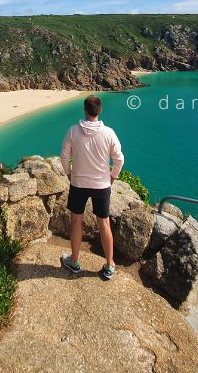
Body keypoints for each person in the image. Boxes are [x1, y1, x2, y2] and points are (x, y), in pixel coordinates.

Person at [59, 95, 124, 280]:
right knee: (104, 223)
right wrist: (112, 177)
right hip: (101, 185)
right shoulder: (109, 133)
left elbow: (64, 156)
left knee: (76, 221)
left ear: (85, 110)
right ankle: (109, 265)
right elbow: (119, 159)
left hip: (78, 183)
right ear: (99, 110)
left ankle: (74, 261)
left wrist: (69, 173)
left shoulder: (73, 131)